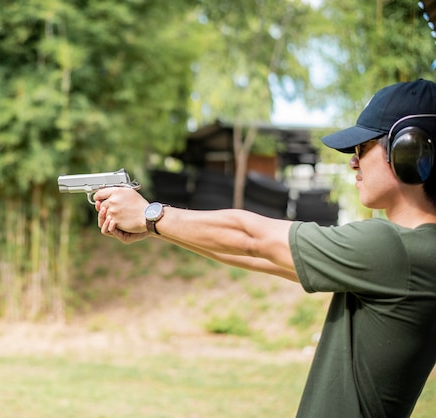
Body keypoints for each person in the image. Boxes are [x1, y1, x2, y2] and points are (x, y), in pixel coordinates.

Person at [94, 78, 436, 417]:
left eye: (363, 148)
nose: (353, 162)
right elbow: (254, 254)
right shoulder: (413, 253)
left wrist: (150, 214)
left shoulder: (395, 251)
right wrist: (156, 229)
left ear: (408, 148)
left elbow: (252, 238)